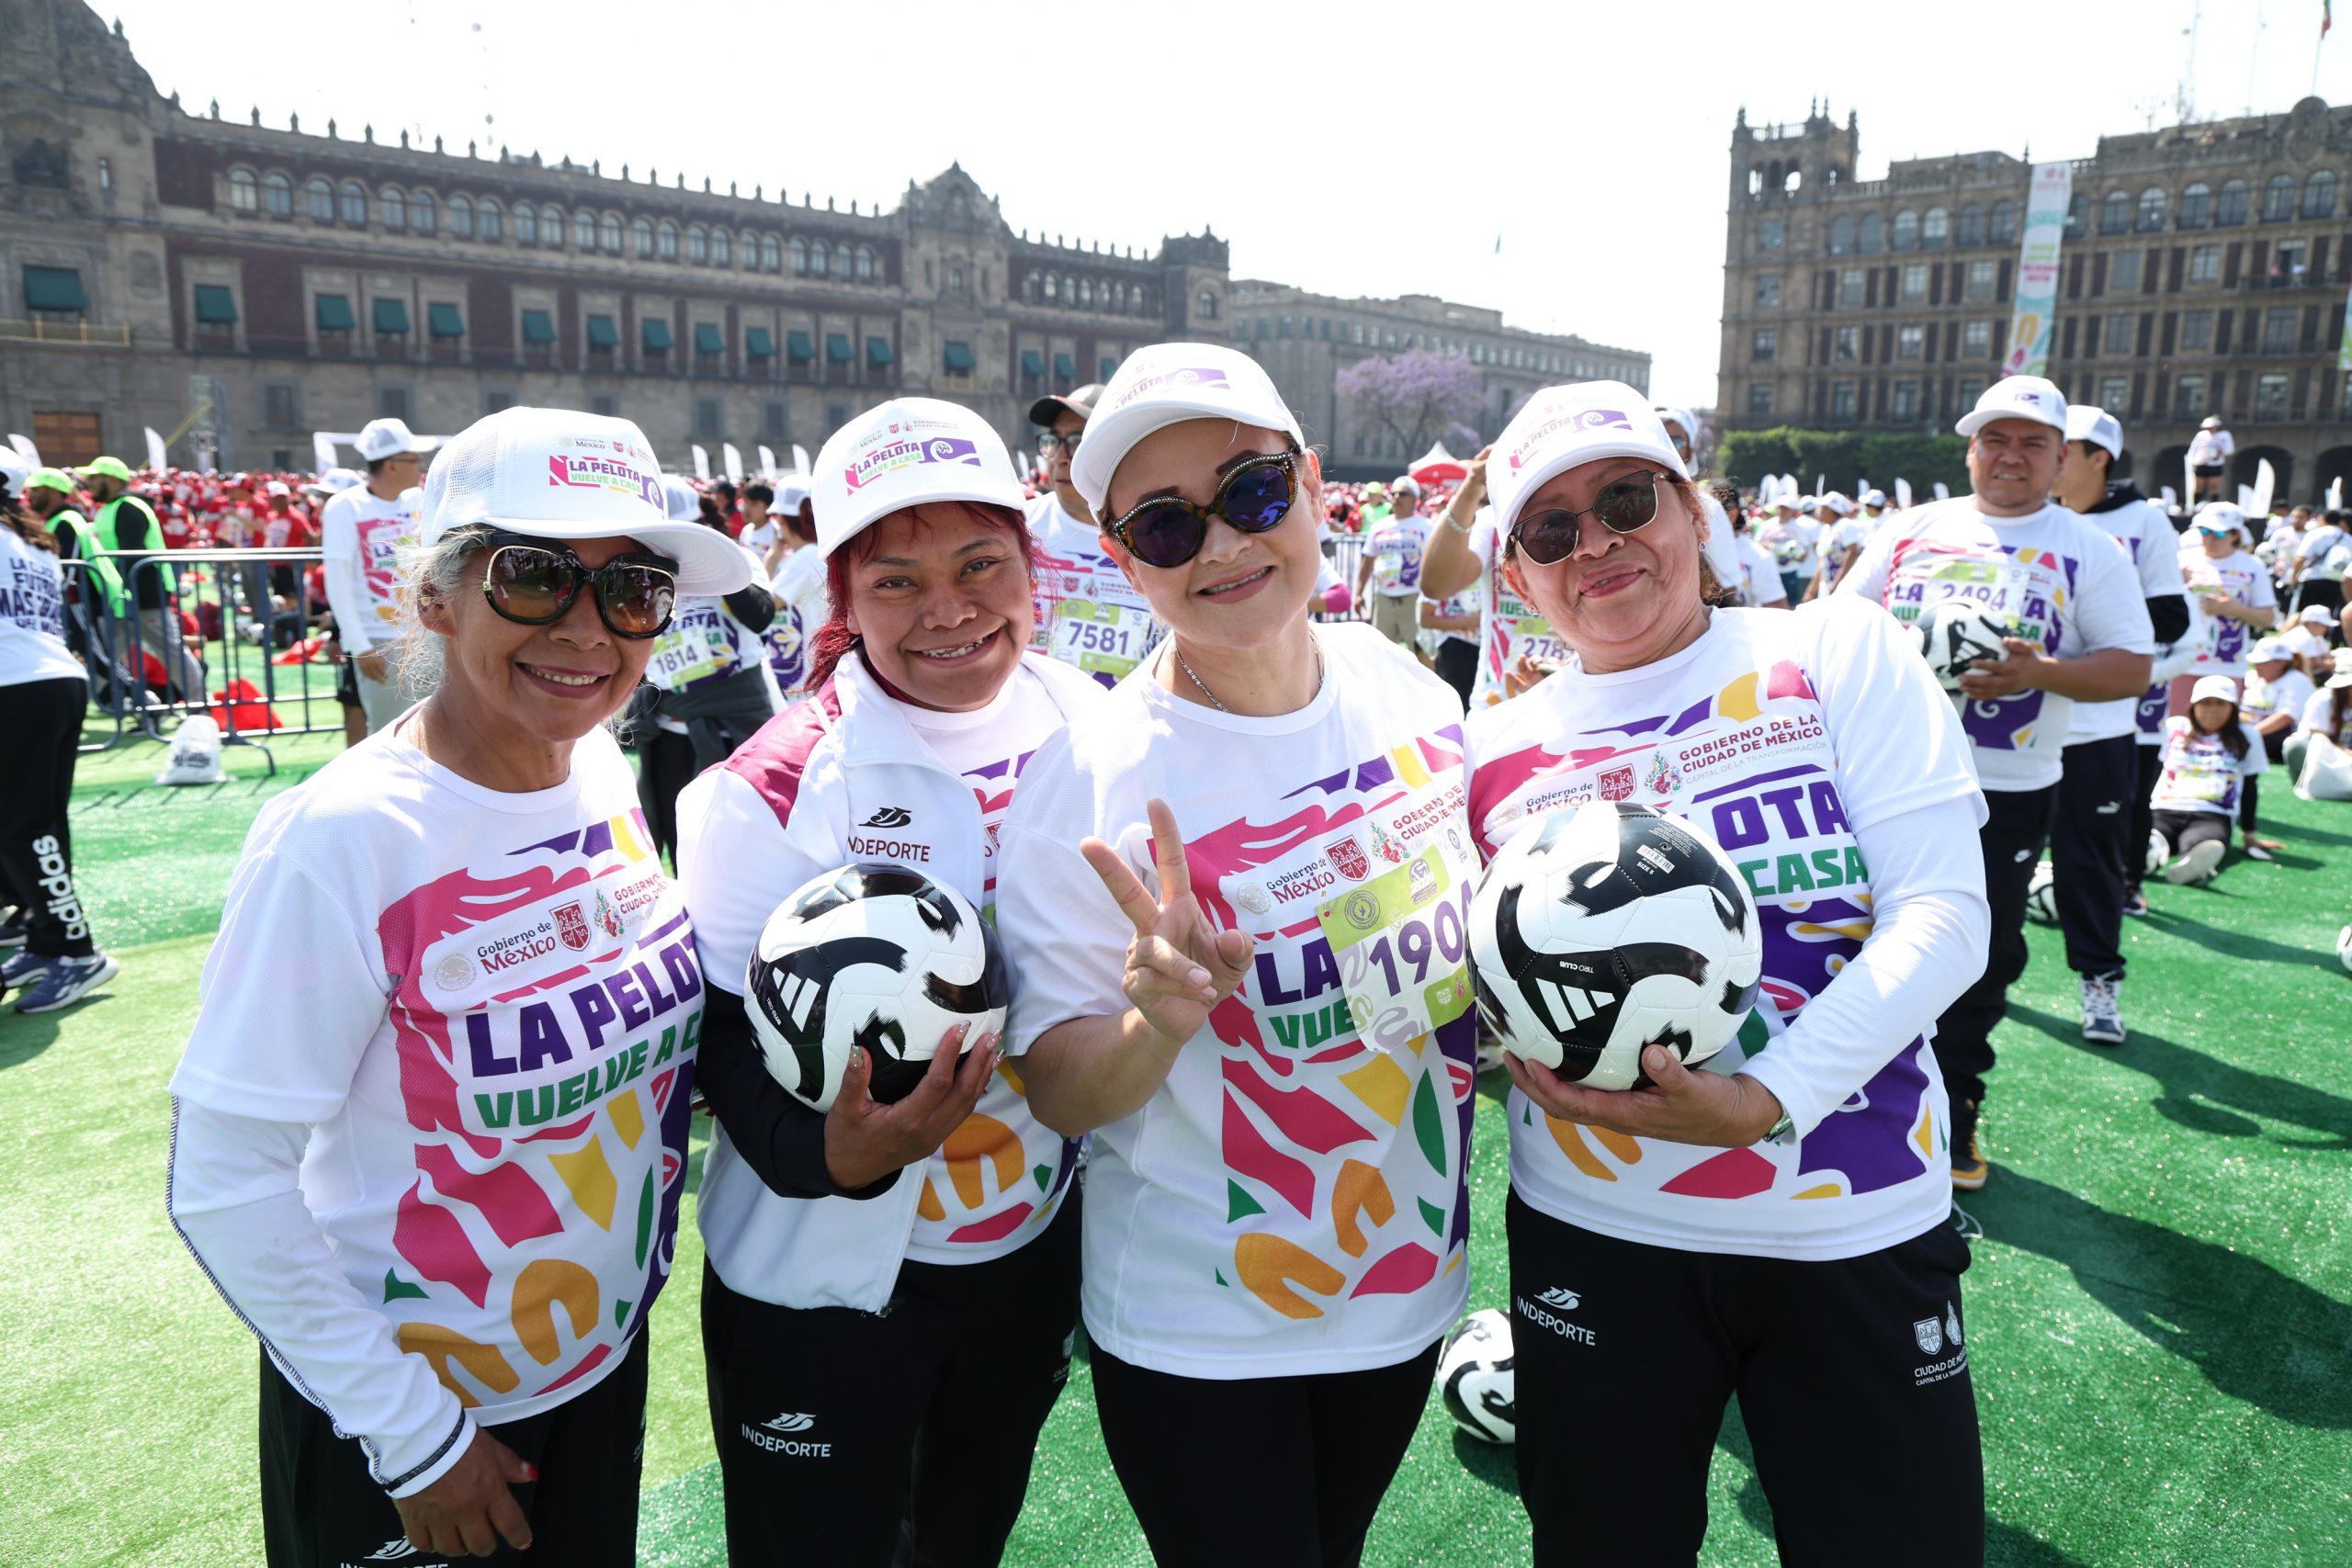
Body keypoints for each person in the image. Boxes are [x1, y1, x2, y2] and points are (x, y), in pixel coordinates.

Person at [165, 405, 749, 1567]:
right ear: (437, 593)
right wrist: (414, 1439)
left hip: (593, 1367)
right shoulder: (338, 837)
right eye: (536, 576)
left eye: (632, 590)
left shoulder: (596, 766)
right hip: (415, 1415)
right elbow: (225, 1177)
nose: (588, 630)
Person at [1459, 385, 1989, 1568]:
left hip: (1849, 1216)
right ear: (1516, 576)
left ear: (1695, 512)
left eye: (1625, 498)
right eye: (1549, 530)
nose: (1594, 543)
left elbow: (1948, 918)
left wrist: (1766, 1098)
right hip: (1594, 1226)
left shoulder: (1833, 648)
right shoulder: (1487, 749)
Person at [998, 344, 1476, 1566]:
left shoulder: (1408, 692)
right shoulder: (1087, 777)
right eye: (1164, 526)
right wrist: (1157, 1020)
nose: (1219, 546)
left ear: (1314, 484)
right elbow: (1057, 1085)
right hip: (1200, 1317)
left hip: (1402, 1281)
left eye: (1253, 493)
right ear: (1117, 555)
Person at [673, 398, 1099, 1567]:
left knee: (964, 1541)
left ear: (1031, 566)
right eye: (897, 581)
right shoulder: (769, 785)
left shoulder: (1101, 729)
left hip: (1025, 1250)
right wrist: (832, 1158)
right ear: (843, 596)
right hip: (819, 1286)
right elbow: (716, 1043)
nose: (949, 611)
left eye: (980, 566)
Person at [1840, 376, 2153, 1189]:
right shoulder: (1912, 528)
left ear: (2061, 459)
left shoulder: (2092, 548)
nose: (2012, 456)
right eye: (1996, 439)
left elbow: (2131, 666)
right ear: (1971, 448)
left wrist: (2037, 673)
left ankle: (1956, 1104)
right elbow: (1837, 623)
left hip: (2007, 785)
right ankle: (1852, 1091)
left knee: (1978, 952)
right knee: (1857, 933)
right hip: (1886, 770)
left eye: (2033, 443)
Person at [2046, 405, 2191, 1041]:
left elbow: (2173, 616)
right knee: (1982, 870)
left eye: (2057, 447)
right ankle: (1957, 1000)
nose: (2042, 460)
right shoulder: (2024, 517)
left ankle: (2099, 984)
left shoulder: (2142, 521)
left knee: (2091, 864)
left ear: (2095, 457)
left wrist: (2082, 638)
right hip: (2001, 729)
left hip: (2096, 725)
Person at [0, 454, 117, 1013]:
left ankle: (76, 952)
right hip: (51, 682)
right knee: (36, 823)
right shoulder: (33, 541)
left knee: (24, 826)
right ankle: (48, 939)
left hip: (17, 686)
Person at [629, 477, 780, 862]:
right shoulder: (637, 573)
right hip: (669, 725)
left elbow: (761, 617)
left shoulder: (735, 558)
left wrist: (716, 566)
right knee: (679, 833)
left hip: (732, 720)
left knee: (738, 834)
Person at [1026, 381, 1162, 687]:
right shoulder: (1019, 530)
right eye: (1053, 441)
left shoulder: (1161, 536)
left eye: (1076, 441)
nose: (1060, 456)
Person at [1418, 448, 1575, 706]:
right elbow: (1436, 585)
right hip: (1497, 702)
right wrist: (1471, 488)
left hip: (1570, 701)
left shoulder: (1586, 520)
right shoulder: (1493, 521)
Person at [322, 418, 435, 734]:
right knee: (392, 734)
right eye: (414, 459)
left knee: (437, 730)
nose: (420, 467)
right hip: (380, 639)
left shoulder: (420, 500)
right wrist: (360, 645)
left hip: (425, 634)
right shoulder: (345, 507)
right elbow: (338, 579)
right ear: (392, 465)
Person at [83, 453, 203, 703]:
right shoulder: (110, 509)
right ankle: (86, 706)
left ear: (114, 481)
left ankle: (200, 704)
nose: (89, 482)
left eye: (96, 477)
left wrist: (126, 595)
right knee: (106, 655)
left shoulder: (129, 507)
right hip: (121, 597)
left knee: (170, 651)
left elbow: (131, 555)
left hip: (144, 595)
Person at [2150, 676, 2267, 884]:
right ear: (2194, 705)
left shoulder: (2248, 735)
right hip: (2165, 807)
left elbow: (2250, 786)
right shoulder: (2174, 727)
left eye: (2221, 704)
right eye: (2205, 703)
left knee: (2204, 842)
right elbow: (2154, 770)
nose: (2213, 710)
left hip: (2213, 813)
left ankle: (2192, 865)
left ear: (2233, 707)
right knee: (2155, 836)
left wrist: (2250, 835)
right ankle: (2149, 855)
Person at [2177, 502, 2278, 705]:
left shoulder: (2252, 566)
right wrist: (2177, 583)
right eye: (2204, 531)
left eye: (2219, 534)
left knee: (2221, 734)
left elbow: (2268, 618)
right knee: (2178, 728)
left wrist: (2234, 609)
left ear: (2235, 535)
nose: (2210, 538)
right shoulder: (2181, 560)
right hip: (2180, 662)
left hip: (2227, 665)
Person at [761, 477, 825, 697]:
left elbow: (761, 607)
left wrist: (770, 558)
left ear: (782, 521)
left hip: (807, 676)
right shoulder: (819, 553)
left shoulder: (805, 558)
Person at [1356, 475, 1434, 654]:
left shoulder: (1426, 526)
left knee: (1419, 651)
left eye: (1403, 493)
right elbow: (1367, 561)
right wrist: (1358, 594)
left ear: (1415, 498)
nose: (1397, 497)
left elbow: (1434, 564)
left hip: (1414, 598)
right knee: (1381, 652)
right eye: (1394, 493)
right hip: (1384, 598)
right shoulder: (1379, 526)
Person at [2288, 647, 2352, 782]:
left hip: (2347, 755)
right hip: (2322, 756)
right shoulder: (2321, 700)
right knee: (2294, 746)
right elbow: (2319, 742)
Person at [2289, 507, 2348, 619]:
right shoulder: (2348, 538)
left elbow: (2301, 558)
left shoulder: (2315, 533)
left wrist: (2294, 577)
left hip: (2312, 578)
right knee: (2326, 617)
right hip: (2336, 581)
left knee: (2302, 614)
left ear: (2323, 519)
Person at [2187, 414, 2233, 503]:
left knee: (2214, 486)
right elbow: (2193, 449)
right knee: (2198, 486)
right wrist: (2191, 462)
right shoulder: (2201, 435)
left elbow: (2230, 449)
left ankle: (2214, 503)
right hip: (2200, 463)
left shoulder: (2225, 435)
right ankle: (2195, 504)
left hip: (2215, 464)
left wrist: (2220, 452)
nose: (2210, 429)